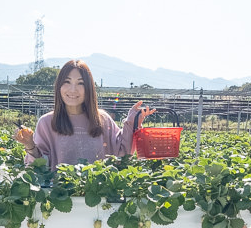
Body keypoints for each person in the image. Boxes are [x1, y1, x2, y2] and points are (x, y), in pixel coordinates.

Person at [14, 59, 154, 168]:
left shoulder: (102, 119)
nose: (73, 89)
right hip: (60, 200)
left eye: (80, 83)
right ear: (59, 87)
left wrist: (132, 122)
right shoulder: (47, 122)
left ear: (88, 88)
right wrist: (30, 145)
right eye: (67, 82)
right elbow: (40, 167)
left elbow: (123, 153)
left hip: (98, 199)